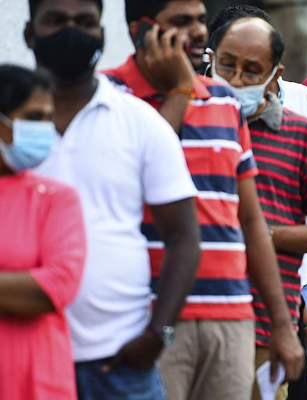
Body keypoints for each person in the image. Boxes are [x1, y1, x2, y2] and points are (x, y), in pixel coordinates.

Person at [104, 2, 305, 399]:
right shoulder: (108, 95)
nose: (198, 32)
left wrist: (283, 324)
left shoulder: (224, 101)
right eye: (181, 22)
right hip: (148, 319)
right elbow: (124, 185)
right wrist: (179, 92)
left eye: (199, 19)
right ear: (140, 31)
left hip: (231, 316)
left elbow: (249, 221)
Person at [25, 1, 203, 398]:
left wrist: (159, 334)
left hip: (123, 361)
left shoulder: (141, 122)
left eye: (84, 22)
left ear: (102, 35)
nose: (71, 31)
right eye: (55, 21)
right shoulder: (11, 126)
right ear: (28, 34)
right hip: (25, 356)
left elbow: (184, 238)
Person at [206, 6, 307, 400]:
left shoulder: (301, 122)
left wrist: (266, 233)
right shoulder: (185, 121)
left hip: (288, 293)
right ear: (210, 59)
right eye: (227, 65)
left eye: (252, 69)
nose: (237, 80)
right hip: (194, 318)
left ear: (275, 72)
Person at [0, 65, 85, 400]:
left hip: (37, 384)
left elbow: (57, 287)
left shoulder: (56, 199)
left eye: (48, 118)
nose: (45, 130)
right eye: (33, 117)